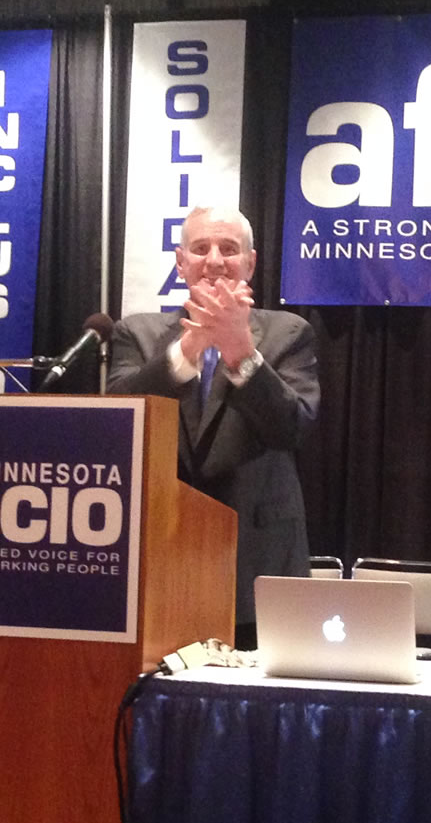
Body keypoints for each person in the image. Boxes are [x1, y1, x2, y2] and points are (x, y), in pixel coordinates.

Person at [108, 206, 320, 649]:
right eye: (201, 249)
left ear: (251, 262)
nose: (215, 260)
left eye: (229, 249)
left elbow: (292, 430)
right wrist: (191, 347)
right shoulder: (137, 333)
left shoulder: (288, 333)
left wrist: (240, 351)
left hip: (258, 562)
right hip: (161, 560)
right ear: (181, 262)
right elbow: (120, 424)